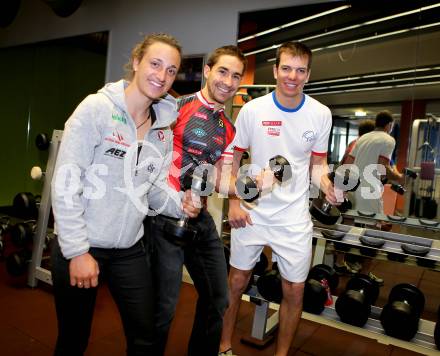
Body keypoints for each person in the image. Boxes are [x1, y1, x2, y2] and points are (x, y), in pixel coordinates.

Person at [50, 33, 199, 356]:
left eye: (171, 70)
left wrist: (180, 205)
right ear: (136, 62)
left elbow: (155, 189)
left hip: (129, 248)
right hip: (82, 243)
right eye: (155, 64)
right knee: (74, 339)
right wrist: (77, 251)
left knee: (145, 335)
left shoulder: (162, 129)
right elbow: (65, 182)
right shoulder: (97, 109)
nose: (161, 76)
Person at [219, 41, 339, 356]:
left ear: (308, 75)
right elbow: (233, 155)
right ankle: (224, 345)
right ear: (275, 70)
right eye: (286, 68)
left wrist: (327, 186)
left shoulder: (320, 114)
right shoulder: (253, 110)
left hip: (293, 216)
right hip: (252, 210)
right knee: (236, 282)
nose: (292, 76)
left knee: (295, 289)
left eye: (300, 70)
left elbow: (317, 165)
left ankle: (282, 354)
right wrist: (233, 200)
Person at [145, 45, 247, 356]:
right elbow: (150, 161)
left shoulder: (228, 129)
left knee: (219, 297)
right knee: (163, 308)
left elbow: (221, 178)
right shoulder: (176, 109)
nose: (228, 82)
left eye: (236, 76)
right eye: (222, 72)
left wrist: (251, 185)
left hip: (199, 218)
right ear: (207, 71)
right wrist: (172, 195)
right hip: (164, 215)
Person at [343, 111, 404, 285]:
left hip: (354, 188)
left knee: (353, 227)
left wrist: (344, 187)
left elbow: (348, 162)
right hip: (370, 191)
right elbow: (382, 166)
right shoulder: (388, 139)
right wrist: (398, 177)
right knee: (376, 232)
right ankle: (364, 273)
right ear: (389, 125)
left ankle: (352, 263)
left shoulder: (362, 138)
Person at [334, 119, 375, 275]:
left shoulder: (354, 143)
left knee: (349, 224)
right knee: (355, 225)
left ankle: (343, 261)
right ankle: (347, 263)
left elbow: (343, 163)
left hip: (351, 187)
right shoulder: (364, 145)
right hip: (354, 189)